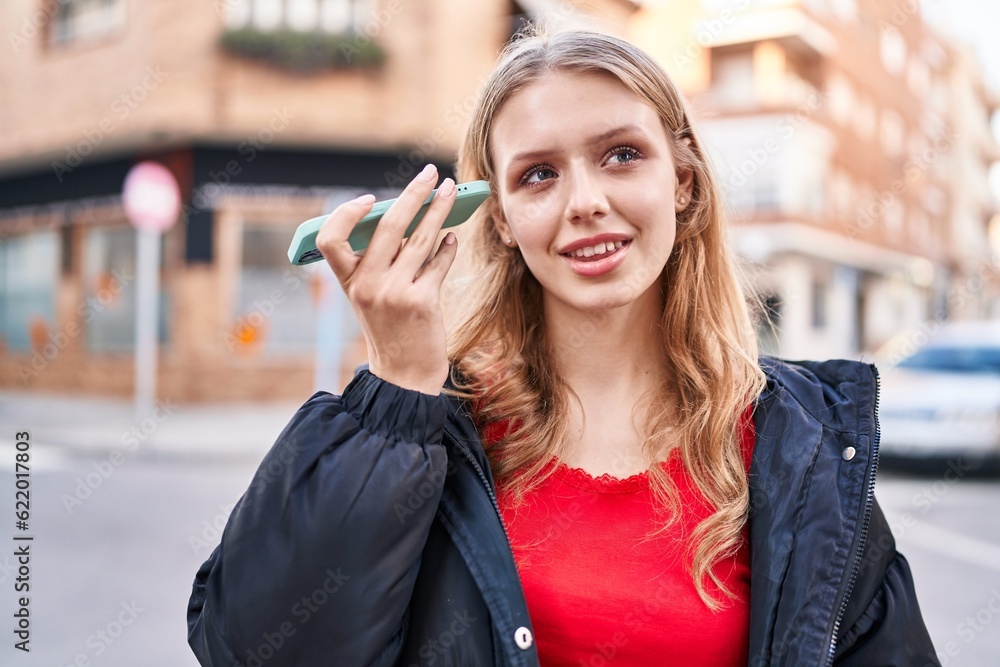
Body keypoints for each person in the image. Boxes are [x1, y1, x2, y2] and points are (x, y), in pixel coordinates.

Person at [187, 26, 939, 667]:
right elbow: (255, 648)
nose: (585, 202)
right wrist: (398, 387)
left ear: (683, 180)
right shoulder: (431, 430)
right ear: (503, 217)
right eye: (539, 174)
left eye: (620, 155)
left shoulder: (805, 443)